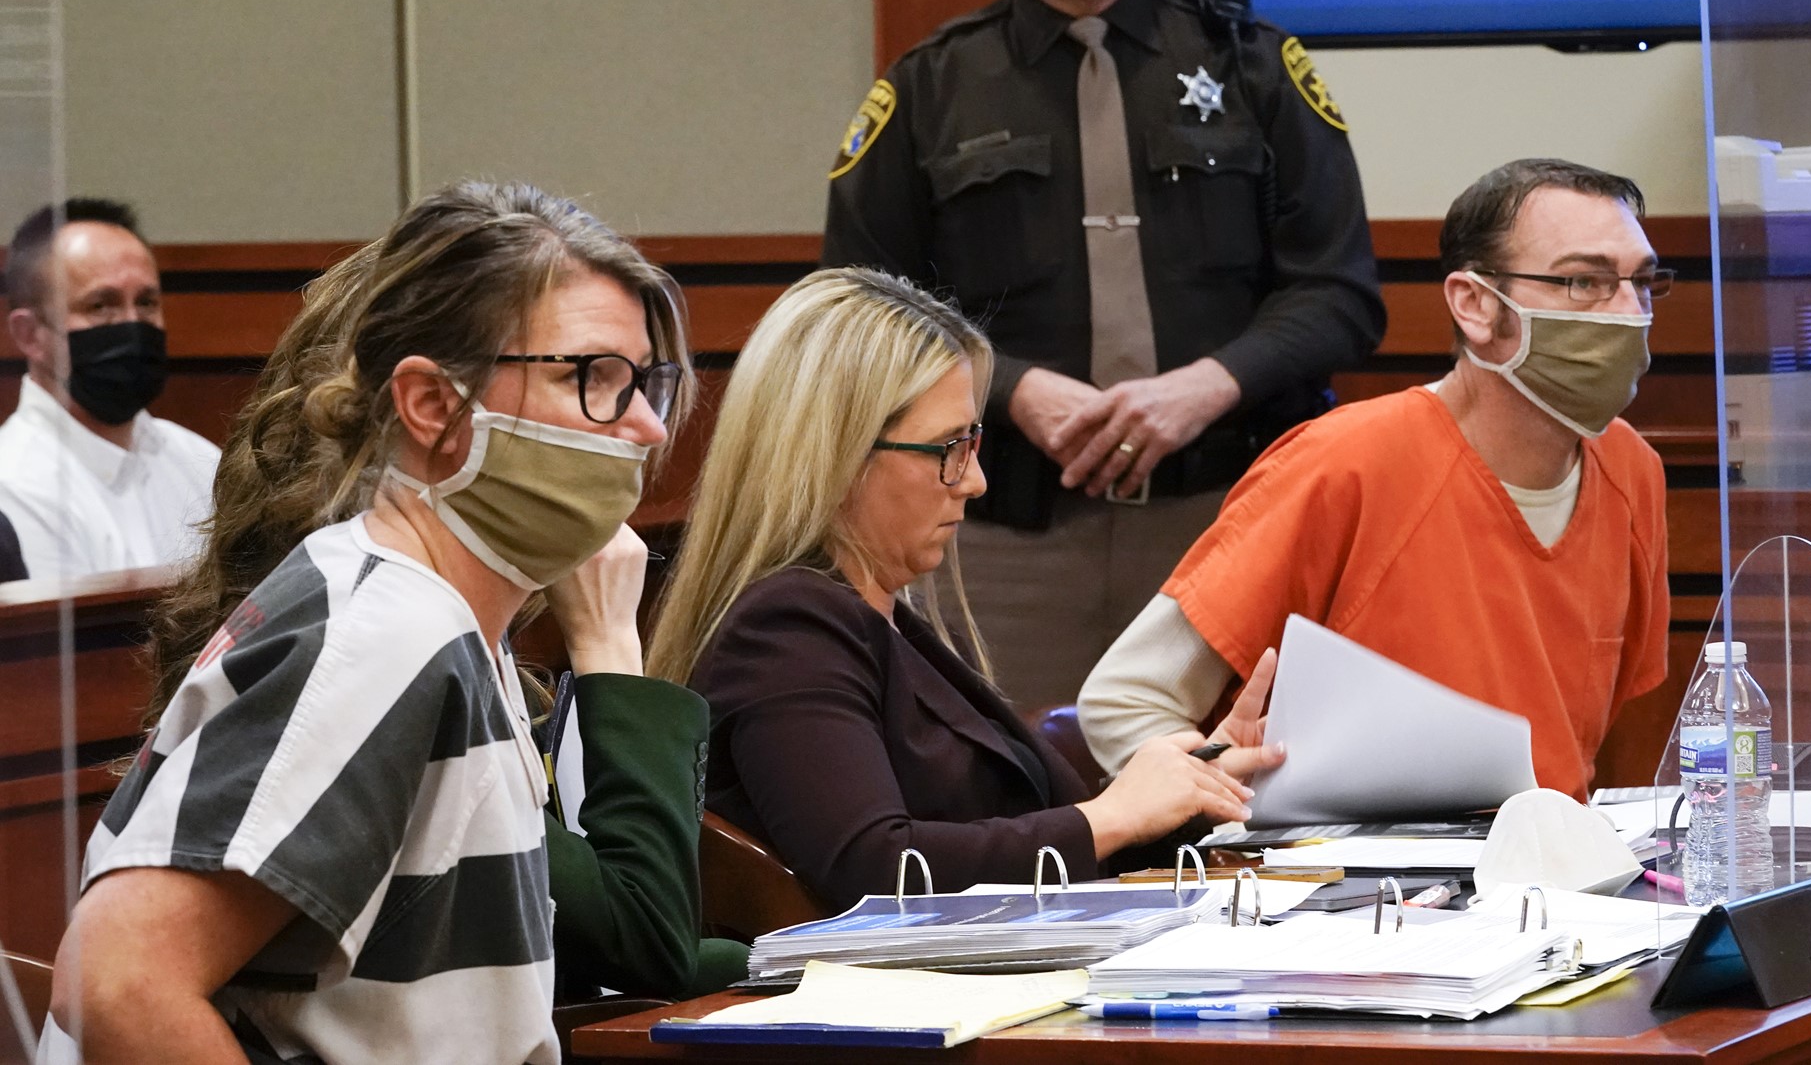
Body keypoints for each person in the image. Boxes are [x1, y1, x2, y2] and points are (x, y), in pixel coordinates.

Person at [43, 183, 725, 1065]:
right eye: (590, 377)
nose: (642, 425)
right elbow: (115, 982)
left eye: (649, 384)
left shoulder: (439, 623)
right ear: (434, 405)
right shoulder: (383, 630)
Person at [822, 0, 1386, 712]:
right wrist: (1010, 386)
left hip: (1230, 517)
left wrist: (1205, 387)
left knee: (1248, 804)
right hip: (1001, 535)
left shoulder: (1254, 66)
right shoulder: (928, 89)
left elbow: (1340, 293)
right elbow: (856, 312)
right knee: (1012, 801)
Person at [646, 267, 1282, 912]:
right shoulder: (788, 626)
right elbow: (871, 867)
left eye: (974, 442)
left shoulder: (886, 619)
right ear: (837, 453)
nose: (973, 481)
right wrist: (1113, 814)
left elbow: (1032, 842)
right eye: (950, 447)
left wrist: (1186, 794)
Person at [1078, 159, 1672, 802]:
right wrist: (1226, 807)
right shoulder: (1345, 462)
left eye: (1641, 283)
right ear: (1474, 304)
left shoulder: (1633, 472)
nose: (1628, 312)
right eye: (1583, 281)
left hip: (1548, 879)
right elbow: (1125, 701)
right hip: (1356, 887)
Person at [0, 198, 221, 581]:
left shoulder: (201, 462)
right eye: (101, 306)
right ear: (29, 334)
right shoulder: (12, 484)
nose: (133, 326)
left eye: (147, 302)